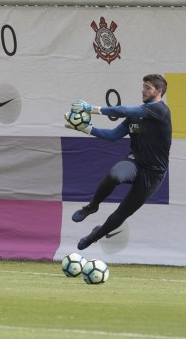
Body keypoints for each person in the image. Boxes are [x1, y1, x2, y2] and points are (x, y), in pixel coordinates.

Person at [64, 74, 172, 250]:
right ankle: (91, 207)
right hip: (135, 163)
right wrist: (86, 128)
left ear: (159, 91)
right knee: (114, 175)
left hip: (154, 174)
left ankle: (93, 237)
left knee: (120, 215)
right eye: (143, 86)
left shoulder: (160, 110)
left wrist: (92, 109)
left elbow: (124, 111)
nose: (143, 90)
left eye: (148, 88)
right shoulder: (136, 116)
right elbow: (113, 136)